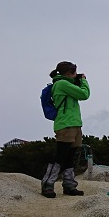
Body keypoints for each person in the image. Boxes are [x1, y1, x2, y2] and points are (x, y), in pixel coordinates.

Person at [41, 61, 90, 198]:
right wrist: (84, 81)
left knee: (70, 157)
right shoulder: (62, 84)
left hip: (74, 124)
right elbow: (84, 94)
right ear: (69, 73)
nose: (76, 75)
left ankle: (69, 185)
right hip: (65, 124)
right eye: (74, 73)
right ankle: (47, 184)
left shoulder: (66, 84)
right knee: (60, 155)